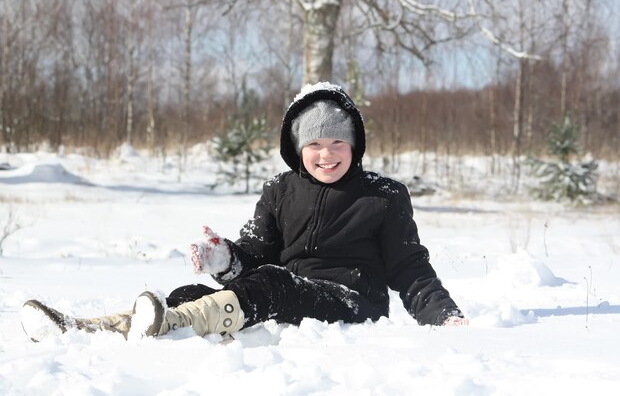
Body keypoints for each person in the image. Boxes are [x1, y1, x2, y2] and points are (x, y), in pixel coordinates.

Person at [21, 82, 467, 343]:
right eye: (314, 144)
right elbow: (256, 254)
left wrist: (444, 316)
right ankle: (92, 329)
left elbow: (410, 268)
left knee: (276, 283)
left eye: (337, 144)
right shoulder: (279, 190)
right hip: (287, 294)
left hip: (354, 304)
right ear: (297, 149)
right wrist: (226, 260)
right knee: (188, 290)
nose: (326, 155)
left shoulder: (384, 196)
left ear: (355, 146)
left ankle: (168, 324)